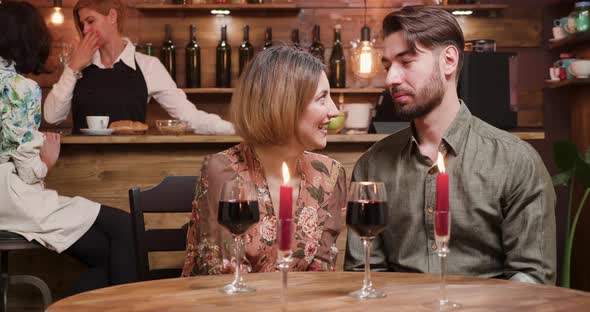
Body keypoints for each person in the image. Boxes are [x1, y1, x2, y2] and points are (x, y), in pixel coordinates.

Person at [344, 5, 556, 285]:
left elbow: (532, 277)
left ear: (449, 60)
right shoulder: (372, 165)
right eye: (388, 66)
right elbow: (364, 275)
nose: (391, 79)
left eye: (406, 62)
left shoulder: (516, 161)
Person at [0, 1, 136, 294]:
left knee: (112, 253)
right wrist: (46, 163)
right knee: (125, 229)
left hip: (9, 200)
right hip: (10, 199)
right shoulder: (19, 88)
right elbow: (27, 171)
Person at [181, 47, 346, 276]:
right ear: (284, 105)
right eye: (322, 99)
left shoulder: (329, 174)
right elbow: (223, 274)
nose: (334, 111)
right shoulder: (223, 171)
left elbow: (321, 272)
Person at [44, 0, 233, 135]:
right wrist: (73, 67)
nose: (85, 30)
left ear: (112, 16)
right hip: (80, 170)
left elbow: (189, 117)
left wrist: (234, 129)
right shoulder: (77, 67)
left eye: (90, 21)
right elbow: (52, 117)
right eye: (82, 24)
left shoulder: (148, 66)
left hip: (130, 167)